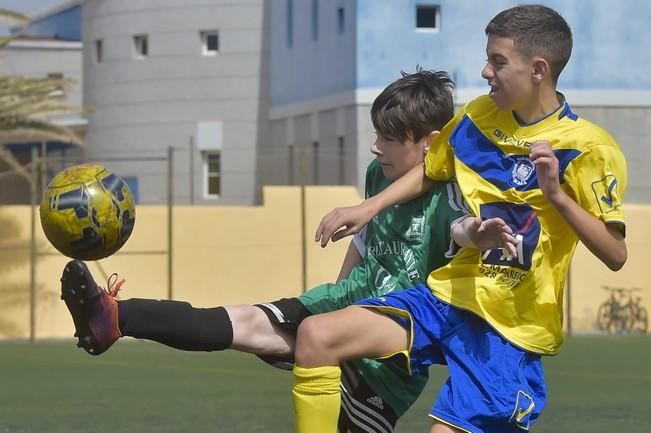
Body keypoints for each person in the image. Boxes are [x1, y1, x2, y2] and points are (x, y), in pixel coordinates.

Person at [60, 69, 514, 433]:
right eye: (376, 134)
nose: (376, 147)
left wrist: (484, 234)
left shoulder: (452, 191)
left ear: (431, 142)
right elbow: (364, 241)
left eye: (389, 138)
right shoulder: (380, 175)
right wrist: (339, 298)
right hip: (342, 309)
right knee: (245, 321)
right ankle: (117, 318)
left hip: (386, 363)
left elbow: (463, 230)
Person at [293, 5, 628, 433]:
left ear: (539, 68)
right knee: (317, 336)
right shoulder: (475, 118)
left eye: (498, 61)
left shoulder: (589, 148)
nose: (486, 71)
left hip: (509, 328)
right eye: (488, 57)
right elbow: (430, 169)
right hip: (448, 295)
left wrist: (557, 197)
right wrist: (368, 207)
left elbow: (615, 253)